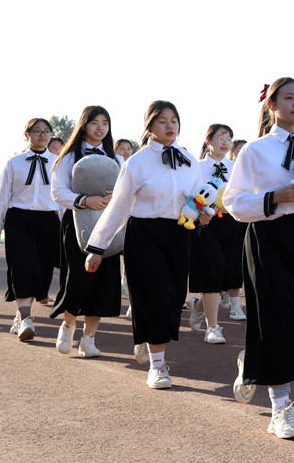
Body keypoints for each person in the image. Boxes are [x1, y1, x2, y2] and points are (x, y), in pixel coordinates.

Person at [223, 78, 294, 438]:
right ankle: (281, 409)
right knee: (278, 317)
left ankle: (252, 361)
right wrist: (275, 197)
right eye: (289, 97)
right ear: (271, 105)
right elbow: (233, 202)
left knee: (291, 317)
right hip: (266, 237)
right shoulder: (255, 151)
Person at [83, 101, 208, 388]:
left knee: (175, 299)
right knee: (154, 295)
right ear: (149, 126)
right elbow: (118, 207)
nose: (169, 125)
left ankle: (147, 338)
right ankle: (158, 365)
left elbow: (198, 198)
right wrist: (96, 248)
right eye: (162, 120)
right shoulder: (136, 162)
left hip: (180, 234)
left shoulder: (189, 160)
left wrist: (204, 214)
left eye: (174, 120)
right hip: (145, 234)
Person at [50, 106, 123, 358]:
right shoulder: (68, 157)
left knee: (104, 283)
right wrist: (84, 200)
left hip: (108, 226)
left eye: (105, 123)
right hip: (77, 225)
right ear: (83, 125)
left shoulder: (117, 159)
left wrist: (118, 196)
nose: (100, 128)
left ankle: (88, 338)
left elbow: (128, 192)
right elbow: (58, 193)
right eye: (94, 123)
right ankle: (68, 325)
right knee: (78, 280)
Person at [0, 118, 61, 341]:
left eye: (46, 131)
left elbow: (63, 195)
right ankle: (26, 318)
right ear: (27, 134)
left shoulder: (58, 162)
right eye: (37, 131)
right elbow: (1, 196)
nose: (42, 135)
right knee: (22, 266)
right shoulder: (14, 163)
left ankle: (21, 314)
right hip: (19, 219)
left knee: (42, 269)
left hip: (49, 221)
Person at [189, 123, 244, 343]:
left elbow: (244, 191)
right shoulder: (197, 166)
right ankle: (213, 327)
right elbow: (190, 194)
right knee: (211, 273)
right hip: (207, 223)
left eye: (229, 138)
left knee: (227, 276)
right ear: (208, 141)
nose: (225, 142)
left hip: (233, 224)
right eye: (221, 137)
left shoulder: (236, 166)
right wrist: (204, 209)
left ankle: (198, 306)